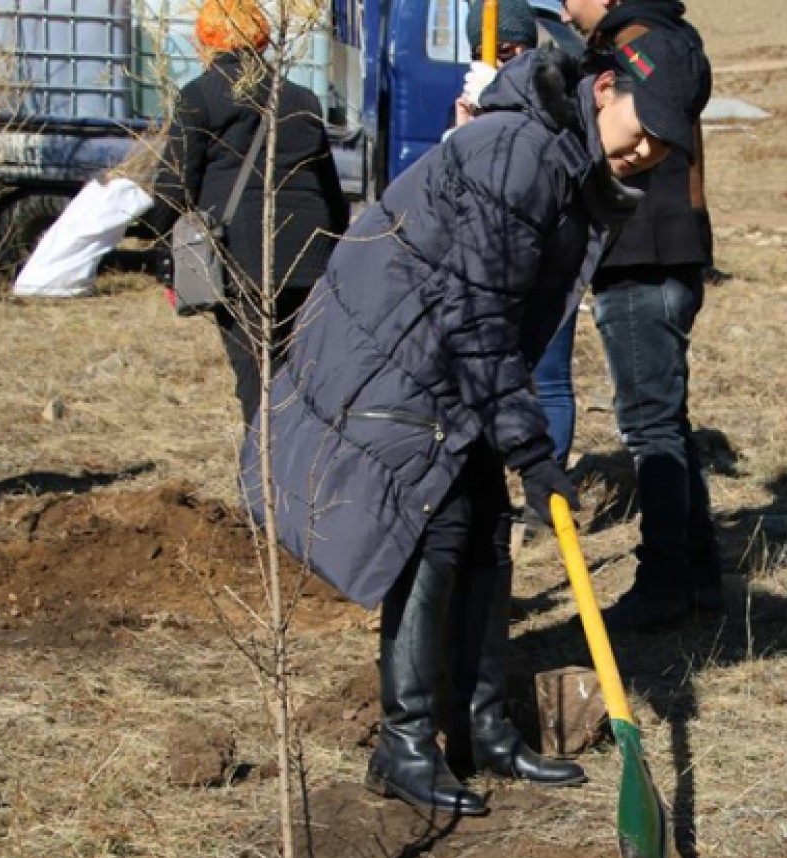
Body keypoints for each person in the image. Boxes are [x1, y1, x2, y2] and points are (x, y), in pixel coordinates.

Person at [252, 43, 701, 816]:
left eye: (666, 140)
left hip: (445, 354)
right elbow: (478, 308)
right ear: (603, 90)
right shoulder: (520, 151)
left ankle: (483, 727)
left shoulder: (563, 153)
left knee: (487, 525)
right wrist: (529, 443)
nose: (646, 150)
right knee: (436, 531)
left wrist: (516, 438)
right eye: (641, 126)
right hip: (398, 353)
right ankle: (405, 744)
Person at [562, 0, 720, 631]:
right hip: (668, 252)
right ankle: (699, 576)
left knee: (649, 429)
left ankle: (661, 585)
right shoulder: (668, 37)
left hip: (641, 256)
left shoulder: (637, 46)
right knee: (667, 423)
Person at [144, 0, 348, 429]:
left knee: (256, 378)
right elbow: (332, 194)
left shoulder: (200, 96)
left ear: (207, 41)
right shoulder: (302, 99)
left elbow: (174, 185)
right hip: (309, 261)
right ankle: (303, 470)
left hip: (242, 263)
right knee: (299, 375)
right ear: (262, 40)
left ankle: (264, 478)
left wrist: (157, 241)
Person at [455, 0, 578, 467]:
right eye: (484, 55)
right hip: (491, 258)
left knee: (548, 380)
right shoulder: (476, 98)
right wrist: (465, 131)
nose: (497, 63)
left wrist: (505, 98)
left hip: (546, 255)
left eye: (509, 52)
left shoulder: (556, 87)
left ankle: (549, 498)